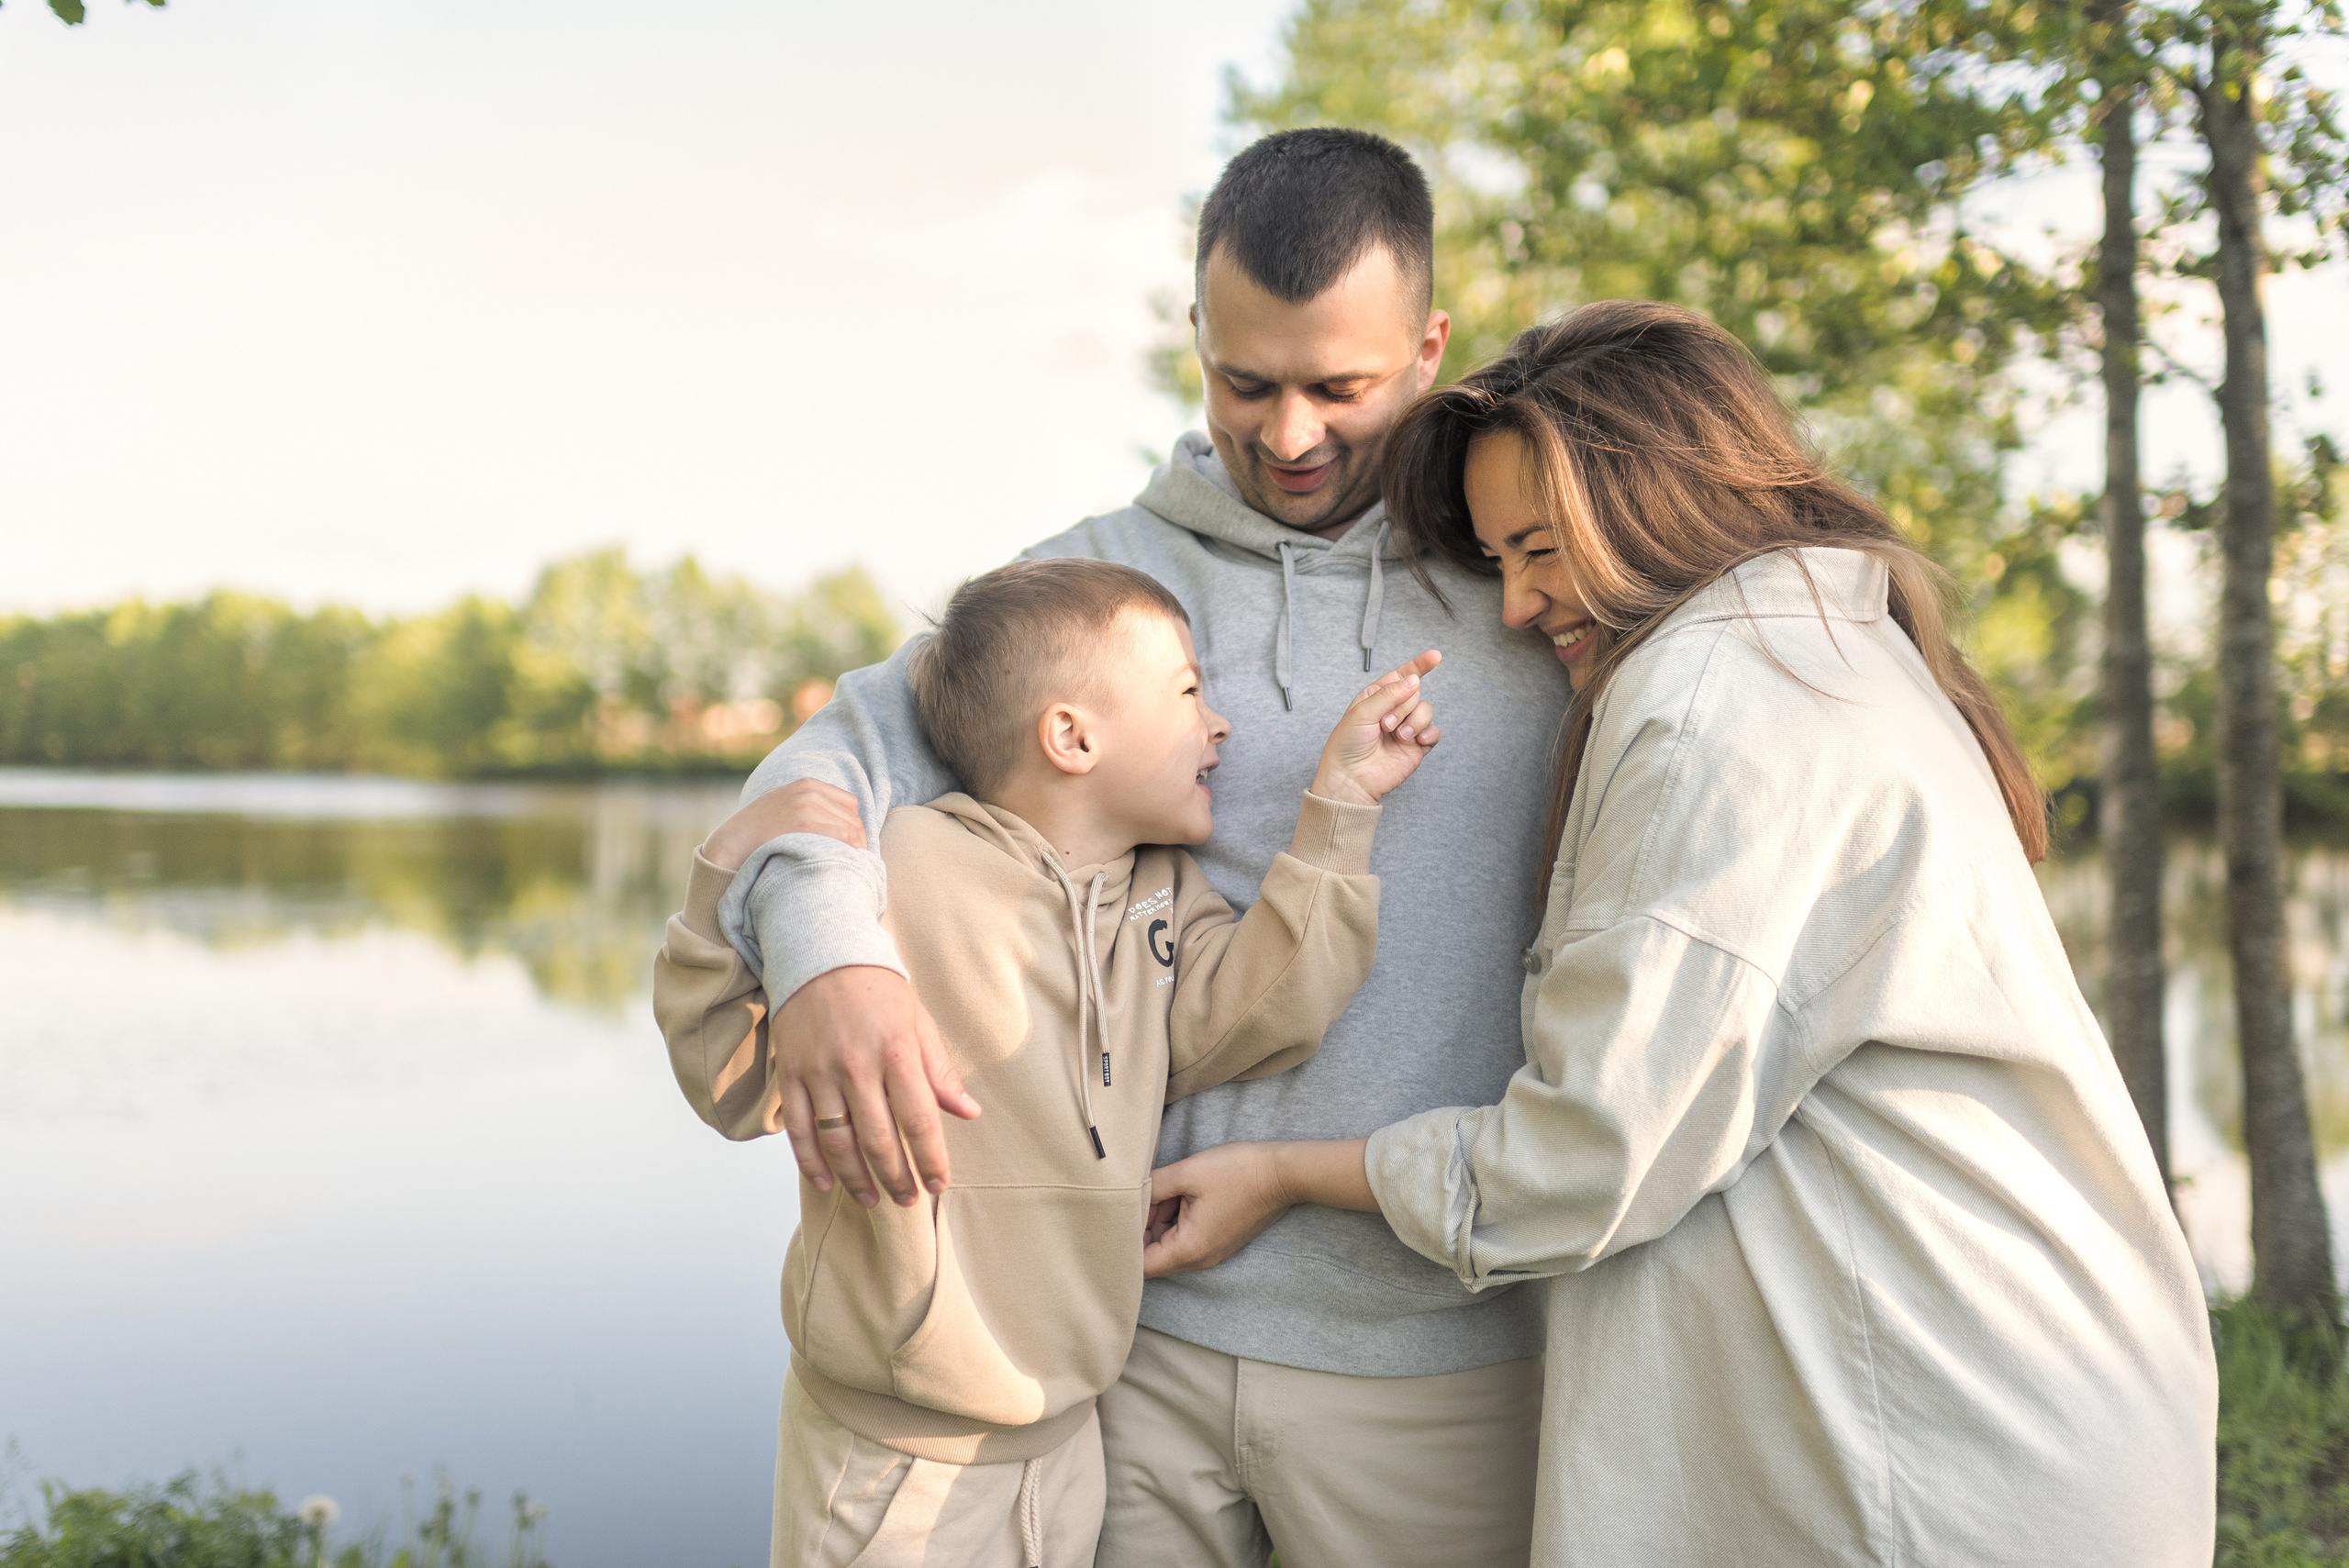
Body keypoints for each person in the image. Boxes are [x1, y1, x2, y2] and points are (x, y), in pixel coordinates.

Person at [1141, 299, 2221, 1567]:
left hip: (1943, 1446)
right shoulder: (1808, 647)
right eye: (1503, 561)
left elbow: (1587, 1154)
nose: (1517, 607)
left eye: (1541, 550)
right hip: (2000, 1400)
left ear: (1654, 501)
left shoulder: (1725, 714)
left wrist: (1284, 1171)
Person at [714, 128, 1561, 1564]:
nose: (1289, 434)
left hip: (1440, 1353)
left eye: (1340, 387)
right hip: (1130, 1355)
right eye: (1247, 382)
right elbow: (829, 760)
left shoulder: (1534, 571)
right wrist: (824, 963)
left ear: (1426, 348)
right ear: (1196, 336)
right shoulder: (1101, 583)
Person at [655, 557, 1443, 1567]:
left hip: (1073, 1445)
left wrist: (1339, 805)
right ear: (1072, 735)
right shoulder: (906, 868)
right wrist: (728, 873)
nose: (1221, 724)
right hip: (893, 1461)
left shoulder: (1161, 894)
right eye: (1190, 691)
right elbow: (730, 1073)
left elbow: (1266, 1009)